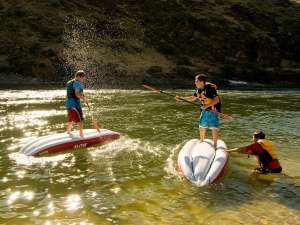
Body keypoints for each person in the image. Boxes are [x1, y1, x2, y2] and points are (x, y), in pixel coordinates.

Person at [176, 74, 221, 149]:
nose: (195, 83)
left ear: (201, 82)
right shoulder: (198, 90)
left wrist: (207, 106)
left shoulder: (209, 88)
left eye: (196, 81)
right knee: (202, 125)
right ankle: (202, 140)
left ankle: (215, 144)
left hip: (213, 109)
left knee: (214, 126)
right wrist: (181, 98)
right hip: (204, 108)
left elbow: (217, 100)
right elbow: (192, 98)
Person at [65, 70, 86, 137]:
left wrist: (82, 94)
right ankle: (81, 134)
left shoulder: (69, 82)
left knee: (70, 118)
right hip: (75, 104)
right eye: (83, 78)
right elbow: (77, 94)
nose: (83, 80)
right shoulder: (77, 83)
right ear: (79, 77)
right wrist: (84, 98)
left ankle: (68, 132)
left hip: (68, 104)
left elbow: (77, 92)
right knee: (80, 119)